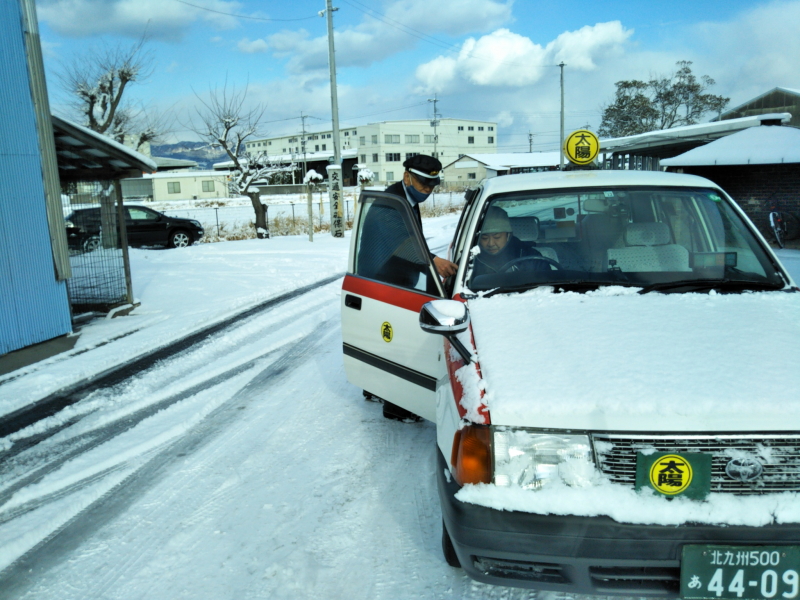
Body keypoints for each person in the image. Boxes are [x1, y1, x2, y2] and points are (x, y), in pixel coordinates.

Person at [385, 155, 458, 279]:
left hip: (401, 279)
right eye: (423, 183)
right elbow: (398, 244)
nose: (428, 189)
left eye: (432, 185)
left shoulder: (408, 197)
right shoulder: (390, 203)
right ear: (407, 177)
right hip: (382, 281)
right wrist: (432, 261)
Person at [472, 206, 550, 278]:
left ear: (508, 236)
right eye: (484, 238)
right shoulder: (471, 259)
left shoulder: (532, 258)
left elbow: (547, 286)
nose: (491, 243)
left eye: (497, 237)